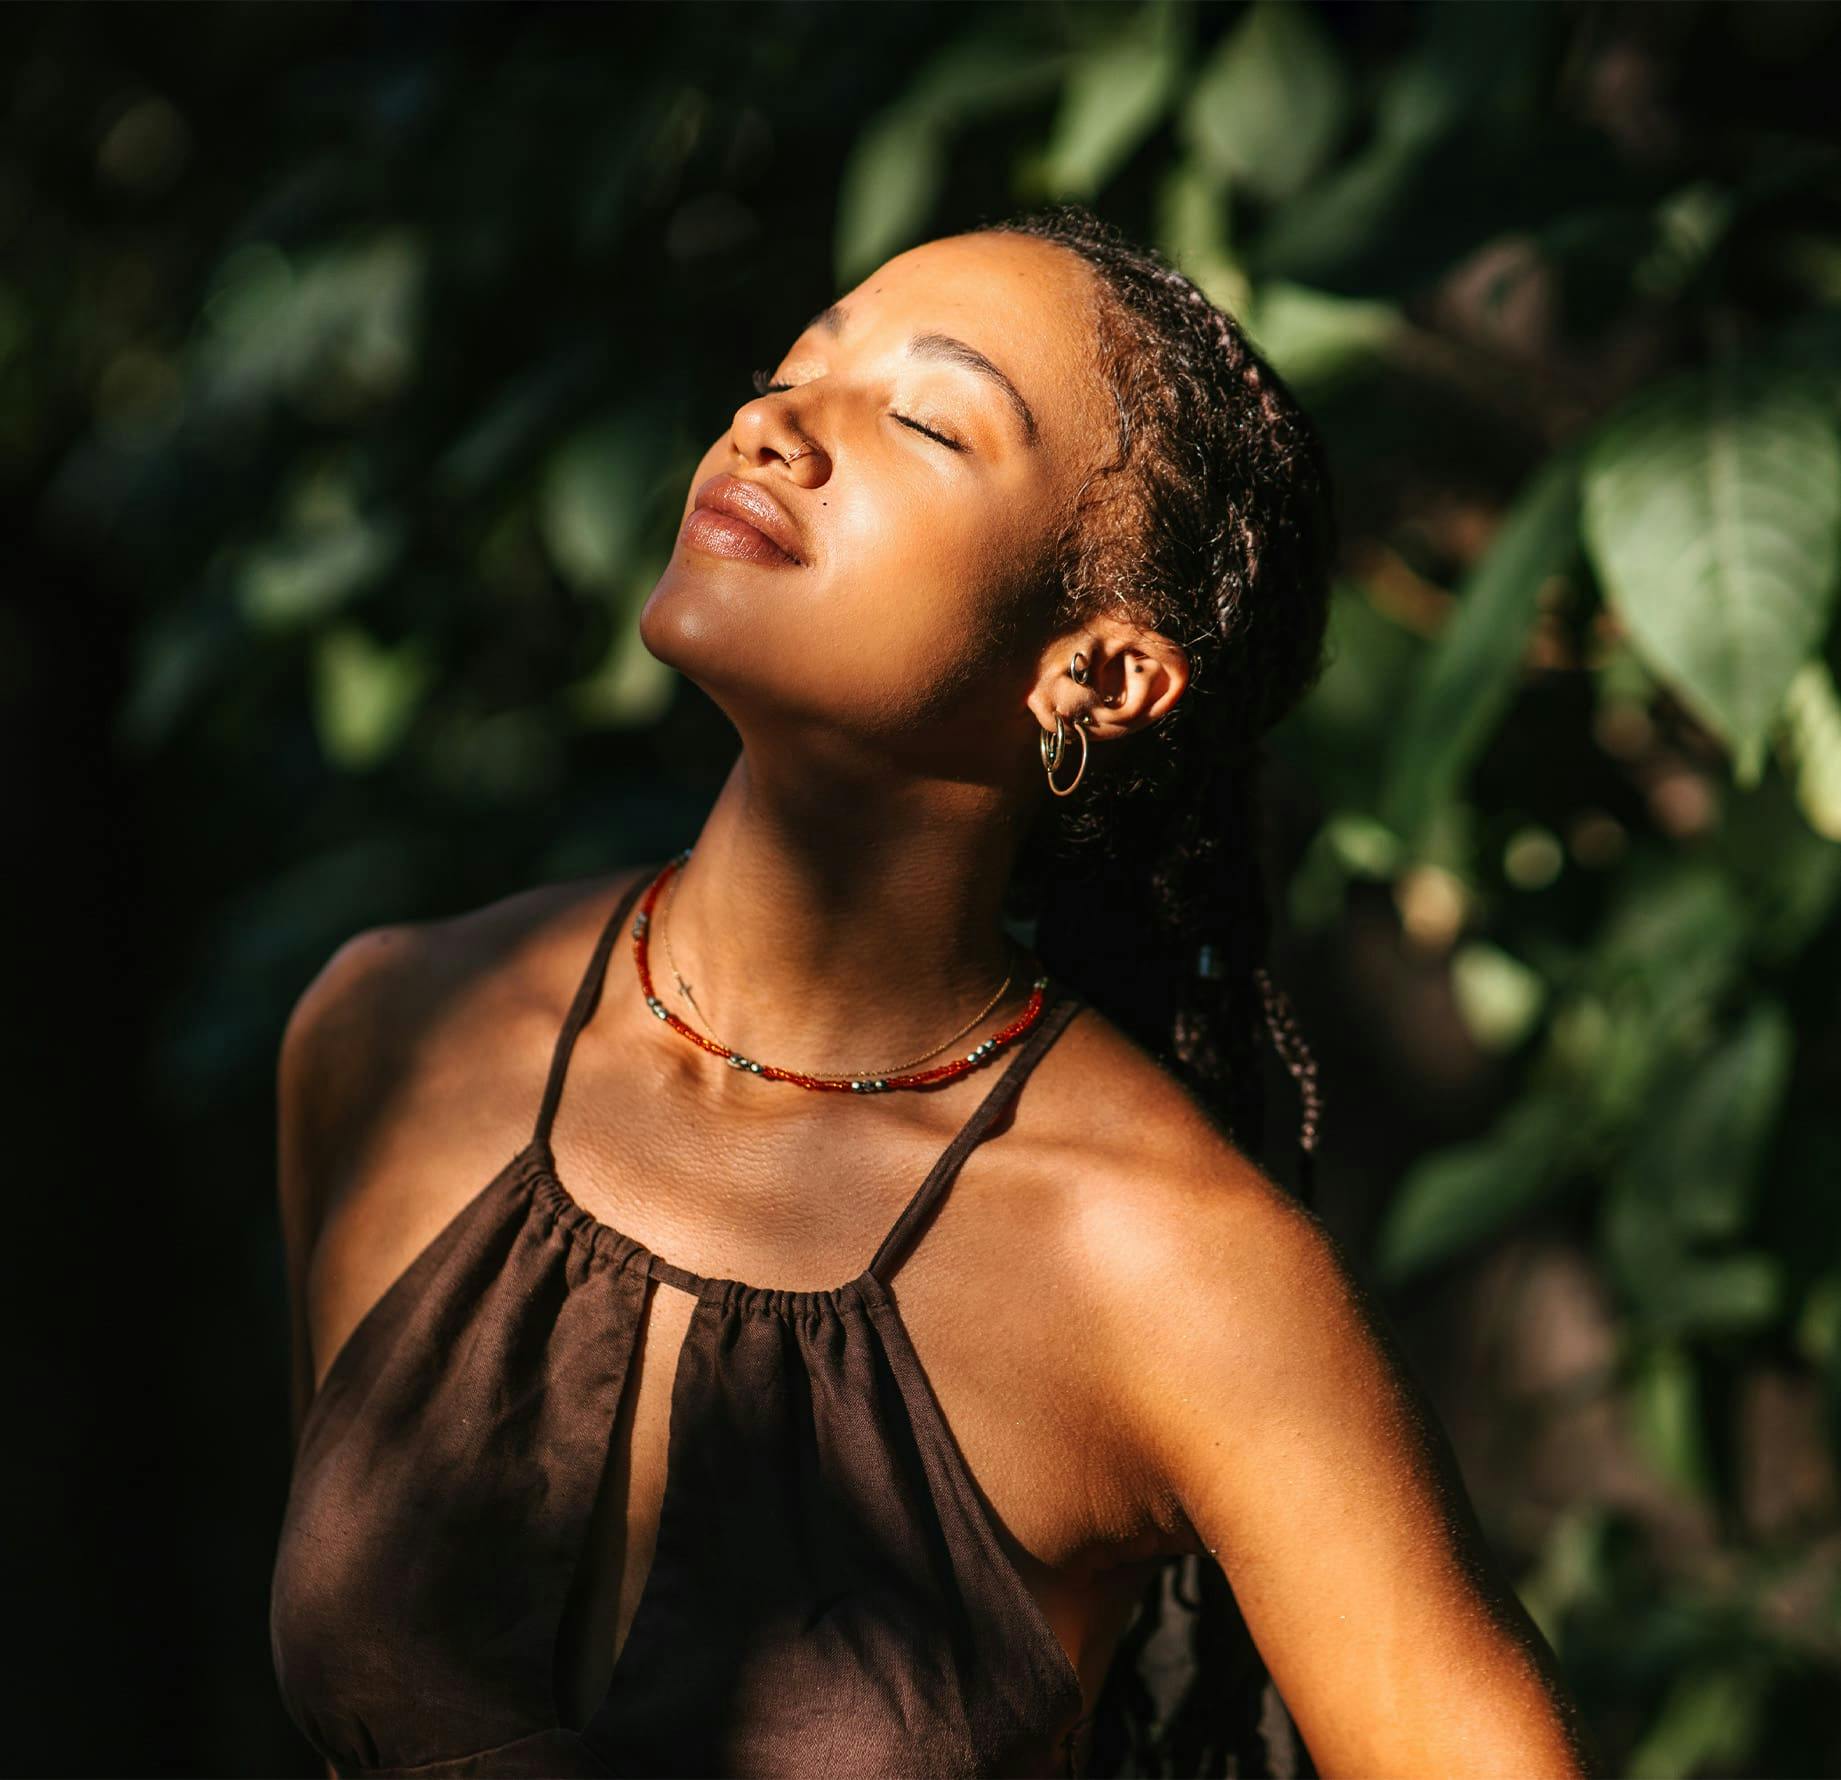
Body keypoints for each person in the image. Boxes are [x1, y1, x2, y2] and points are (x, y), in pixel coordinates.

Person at [269, 203, 1598, 1779]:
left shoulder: (1164, 1266)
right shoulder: (395, 1033)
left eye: (921, 415)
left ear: (1097, 676)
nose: (777, 422)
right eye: (791, 366)